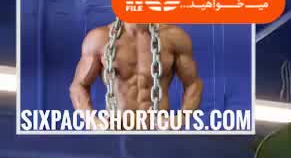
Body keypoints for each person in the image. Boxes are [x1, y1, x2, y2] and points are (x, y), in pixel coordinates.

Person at [69, 19, 202, 127]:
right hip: (117, 130)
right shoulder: (99, 38)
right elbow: (78, 86)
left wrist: (180, 119)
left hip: (158, 130)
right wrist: (92, 121)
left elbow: (193, 84)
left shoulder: (174, 37)